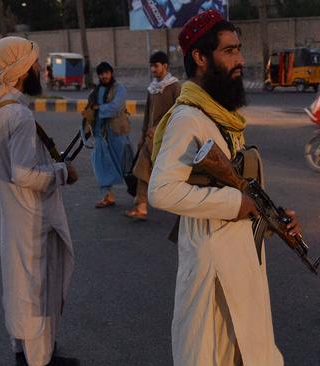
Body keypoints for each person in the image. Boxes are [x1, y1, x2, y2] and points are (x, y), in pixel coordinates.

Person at [148, 10, 301, 366]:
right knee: (212, 353)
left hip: (238, 258)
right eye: (229, 51)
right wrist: (235, 203)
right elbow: (161, 191)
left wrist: (273, 218)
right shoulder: (188, 118)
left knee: (246, 350)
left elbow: (241, 186)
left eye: (239, 49)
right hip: (211, 266)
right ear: (200, 57)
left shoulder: (220, 116)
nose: (240, 59)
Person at [0, 36, 78, 366]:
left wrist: (10, 192)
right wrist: (62, 172)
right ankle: (40, 358)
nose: (39, 68)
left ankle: (23, 351)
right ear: (22, 69)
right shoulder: (18, 115)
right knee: (38, 287)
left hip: (14, 216)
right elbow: (23, 173)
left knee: (19, 285)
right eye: (35, 62)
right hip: (34, 217)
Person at [125, 51, 181, 220]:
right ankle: (141, 205)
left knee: (166, 172)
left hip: (167, 138)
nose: (153, 69)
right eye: (151, 66)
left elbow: (179, 112)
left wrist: (158, 128)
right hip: (150, 139)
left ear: (165, 66)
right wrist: (143, 137)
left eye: (156, 66)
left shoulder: (174, 87)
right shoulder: (152, 88)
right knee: (142, 167)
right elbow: (148, 115)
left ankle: (147, 204)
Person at [82, 61, 131, 208]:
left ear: (111, 73)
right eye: (101, 73)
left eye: (107, 73)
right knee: (101, 166)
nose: (104, 76)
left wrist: (98, 108)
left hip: (117, 133)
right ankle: (107, 196)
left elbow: (115, 108)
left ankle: (139, 197)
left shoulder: (119, 89)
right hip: (99, 135)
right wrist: (88, 115)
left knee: (126, 167)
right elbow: (89, 110)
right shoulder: (94, 92)